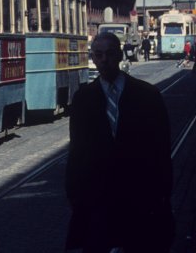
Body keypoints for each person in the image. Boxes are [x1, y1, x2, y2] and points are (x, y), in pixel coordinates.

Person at [66, 32, 173, 252]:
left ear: (120, 55)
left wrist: (161, 196)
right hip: (98, 202)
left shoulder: (147, 95)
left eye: (110, 54)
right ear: (93, 58)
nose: (104, 60)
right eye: (99, 55)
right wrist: (76, 197)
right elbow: (77, 153)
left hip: (139, 201)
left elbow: (161, 150)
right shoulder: (83, 99)